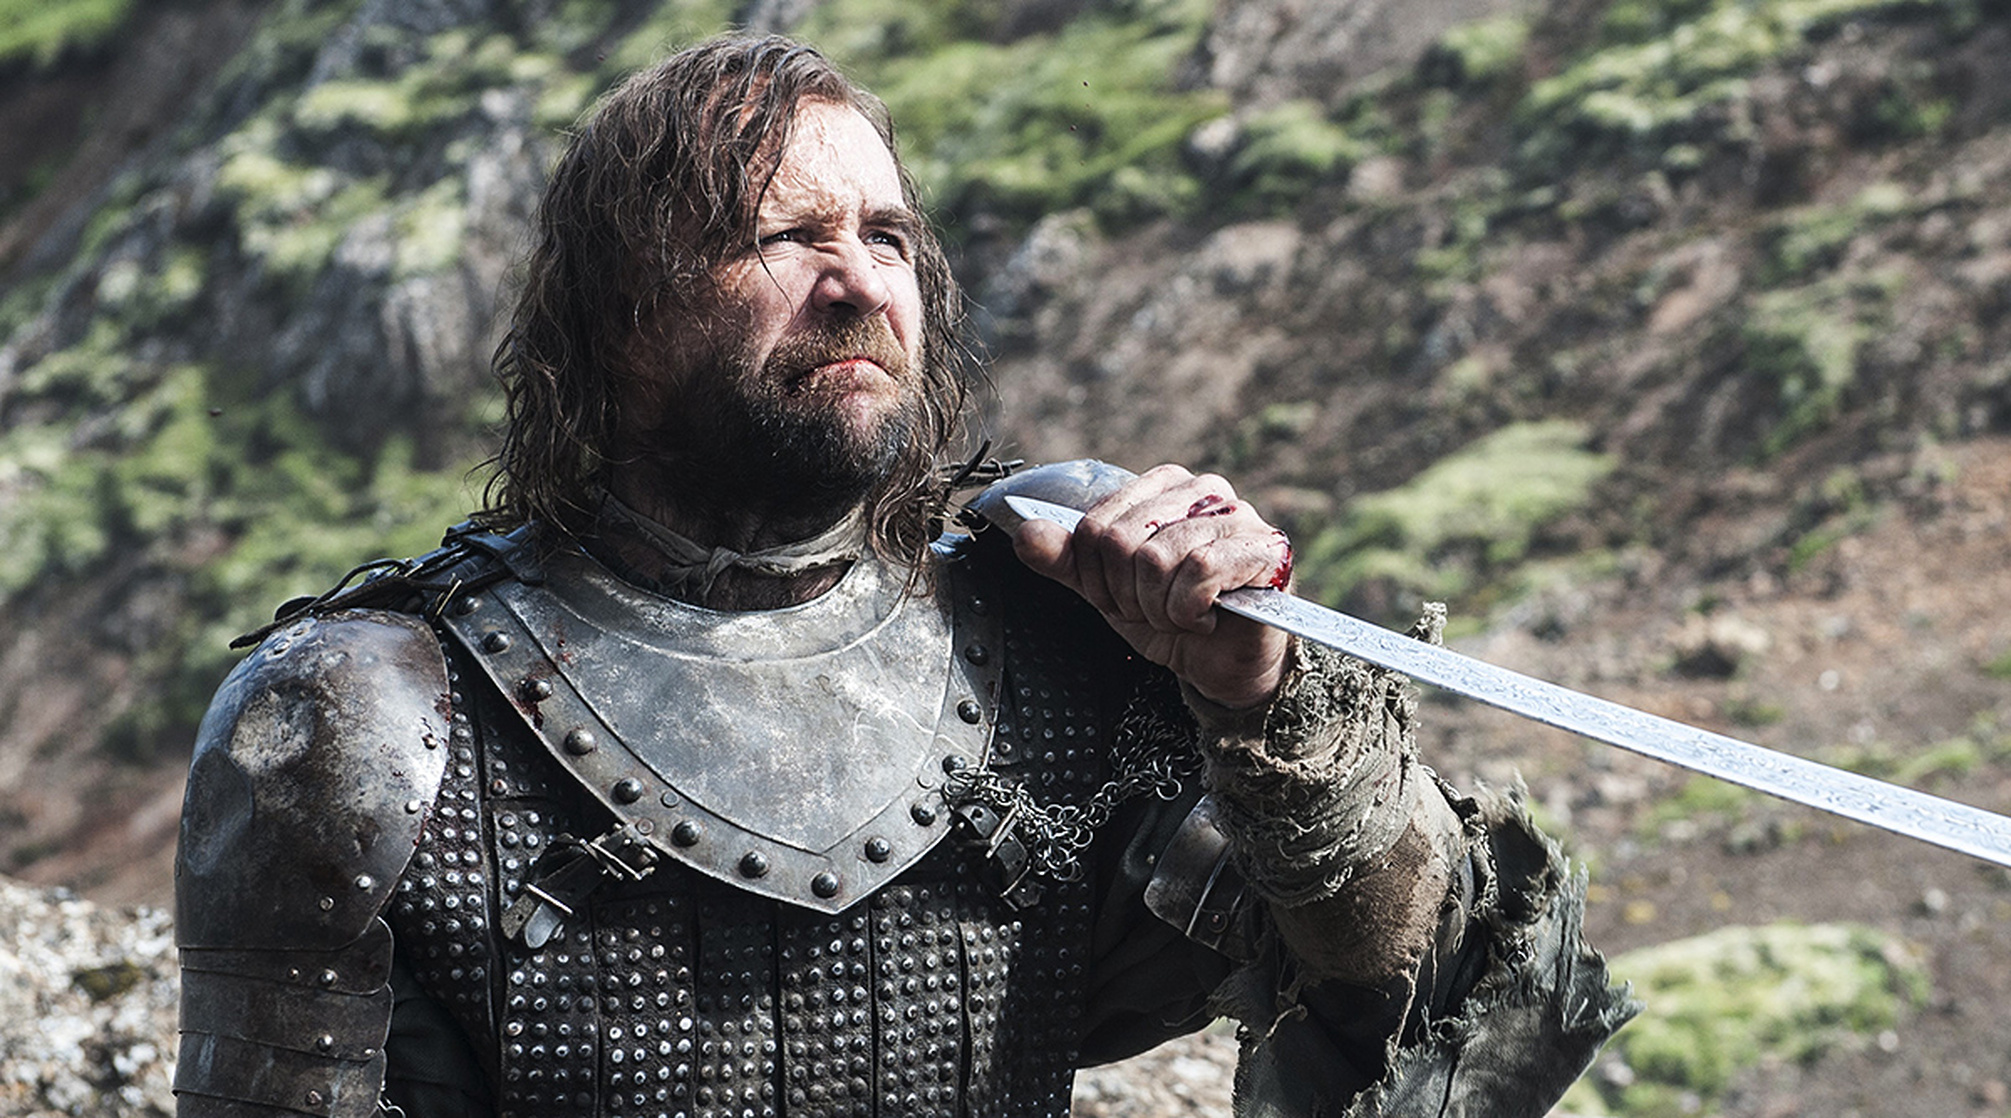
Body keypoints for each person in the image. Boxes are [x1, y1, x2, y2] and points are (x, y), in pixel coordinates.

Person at [172, 34, 1633, 1118]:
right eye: (789, 235)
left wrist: (1258, 697)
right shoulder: (367, 724)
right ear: (625, 315)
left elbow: (1432, 996)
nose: (863, 280)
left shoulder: (1047, 645)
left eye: (886, 236)